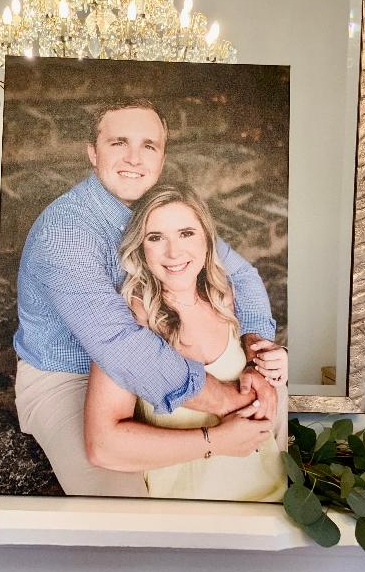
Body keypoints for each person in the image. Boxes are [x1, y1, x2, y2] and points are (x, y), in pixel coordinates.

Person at [13, 97, 288, 496]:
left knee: (271, 412)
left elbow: (241, 274)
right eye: (118, 143)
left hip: (157, 355)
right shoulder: (65, 233)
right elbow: (120, 345)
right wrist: (228, 400)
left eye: (148, 146)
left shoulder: (159, 206)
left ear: (161, 157)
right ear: (92, 153)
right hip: (69, 376)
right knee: (123, 505)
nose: (134, 158)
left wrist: (256, 350)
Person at [83, 182, 287, 501]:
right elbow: (103, 447)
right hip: (191, 509)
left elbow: (260, 389)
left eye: (186, 233)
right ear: (140, 248)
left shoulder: (224, 298)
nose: (174, 252)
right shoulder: (129, 323)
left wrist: (270, 365)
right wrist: (216, 441)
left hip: (270, 495)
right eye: (155, 237)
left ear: (207, 238)